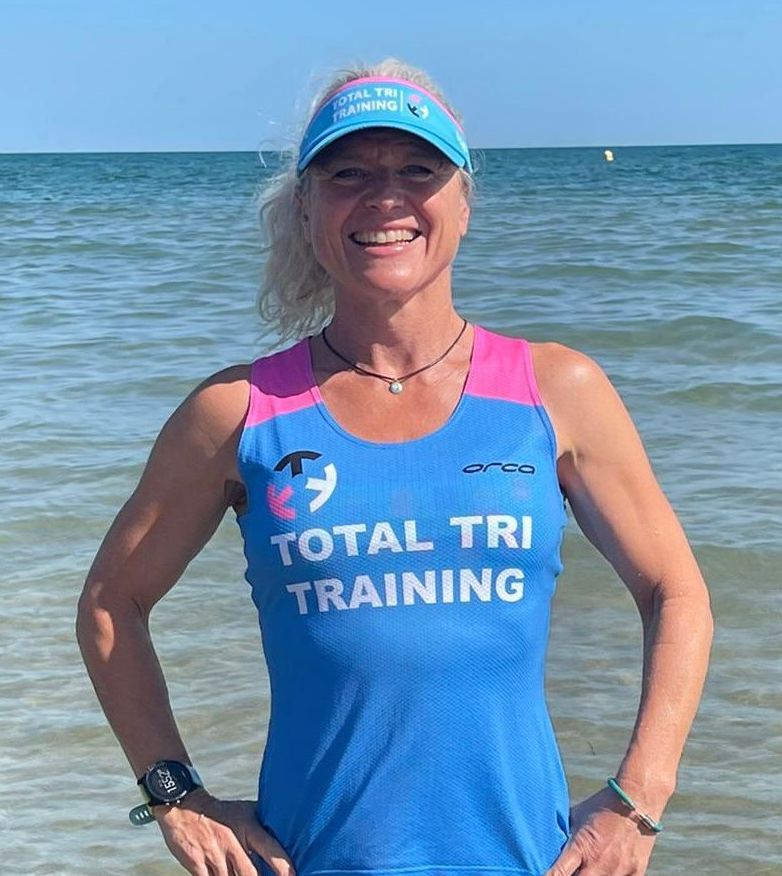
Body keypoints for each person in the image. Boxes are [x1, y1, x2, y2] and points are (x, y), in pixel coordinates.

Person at [77, 58, 713, 876]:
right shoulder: (239, 412)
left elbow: (676, 592)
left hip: (526, 859)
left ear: (464, 202)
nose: (385, 197)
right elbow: (111, 603)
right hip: (311, 859)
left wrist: (638, 800)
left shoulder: (556, 391)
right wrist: (175, 794)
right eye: (348, 173)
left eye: (418, 169)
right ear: (306, 209)